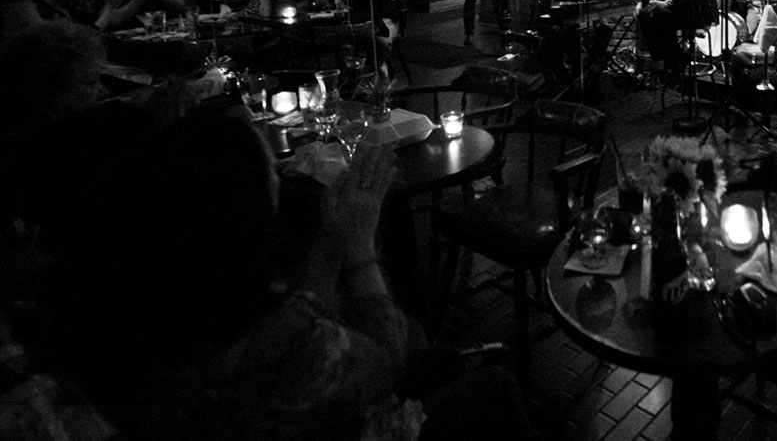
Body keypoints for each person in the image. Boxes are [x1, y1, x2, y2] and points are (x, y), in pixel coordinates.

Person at [34, 109, 531, 441]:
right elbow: (386, 362)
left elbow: (296, 319)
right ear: (244, 208)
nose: (277, 175)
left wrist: (330, 240)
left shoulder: (145, 292)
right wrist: (360, 249)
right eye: (269, 169)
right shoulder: (282, 338)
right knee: (494, 385)